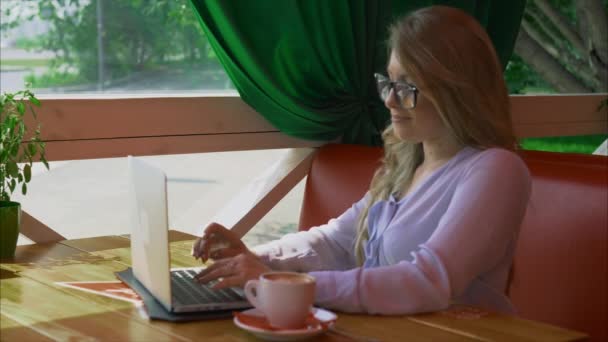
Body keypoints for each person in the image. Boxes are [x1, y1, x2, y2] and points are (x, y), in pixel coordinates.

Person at [191, 5, 531, 315]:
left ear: (457, 92)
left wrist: (280, 281)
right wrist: (253, 258)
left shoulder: (497, 170)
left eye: (408, 88)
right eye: (389, 83)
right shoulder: (408, 163)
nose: (390, 102)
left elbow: (427, 282)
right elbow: (335, 241)